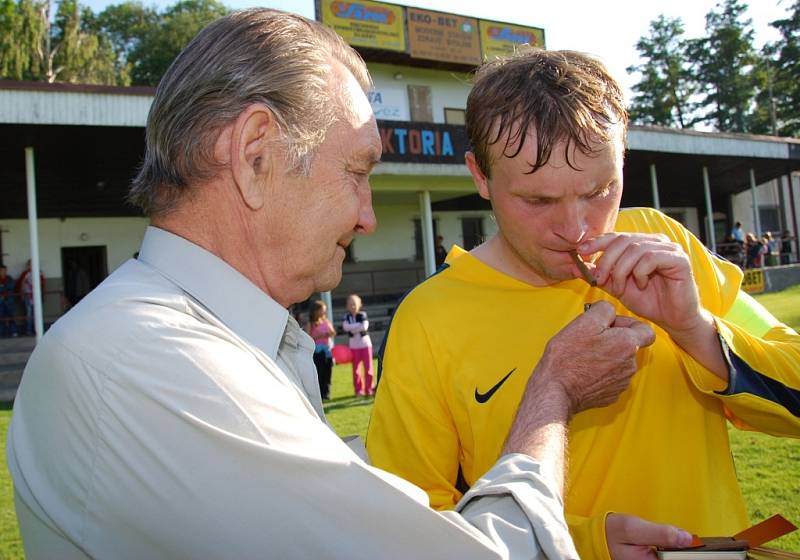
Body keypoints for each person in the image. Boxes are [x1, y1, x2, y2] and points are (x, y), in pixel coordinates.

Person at [4, 12, 675, 559]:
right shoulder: (150, 360)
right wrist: (551, 394)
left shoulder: (220, 343)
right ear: (254, 153)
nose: (368, 214)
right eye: (356, 171)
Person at [367, 48, 800, 560]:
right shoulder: (428, 318)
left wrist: (694, 328)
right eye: (538, 200)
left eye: (600, 190)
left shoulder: (664, 244)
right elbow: (409, 525)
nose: (576, 229)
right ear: (479, 176)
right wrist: (582, 542)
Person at [342, 293, 374, 396]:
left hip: (365, 345)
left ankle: (369, 389)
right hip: (354, 346)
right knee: (356, 370)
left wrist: (353, 328)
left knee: (368, 368)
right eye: (350, 304)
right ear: (347, 306)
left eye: (354, 304)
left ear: (359, 305)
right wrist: (357, 326)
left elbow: (364, 326)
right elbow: (345, 327)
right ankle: (358, 390)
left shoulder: (363, 315)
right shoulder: (346, 317)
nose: (352, 306)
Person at [306, 299, 336, 400]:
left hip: (327, 351)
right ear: (316, 311)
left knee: (328, 372)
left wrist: (328, 333)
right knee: (319, 373)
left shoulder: (326, 321)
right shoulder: (311, 323)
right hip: (317, 352)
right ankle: (319, 394)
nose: (324, 312)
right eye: (322, 310)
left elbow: (333, 332)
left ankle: (326, 393)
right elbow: (308, 338)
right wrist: (318, 336)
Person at [16, 259, 46, 336]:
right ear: (28, 265)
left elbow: (43, 283)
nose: (31, 266)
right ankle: (29, 331)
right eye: (30, 264)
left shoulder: (39, 272)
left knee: (37, 314)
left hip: (37, 296)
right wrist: (22, 295)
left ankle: (38, 330)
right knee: (29, 314)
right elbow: (20, 285)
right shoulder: (25, 274)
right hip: (28, 296)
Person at [0, 264, 18, 337]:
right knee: (1, 318)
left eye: (5, 270)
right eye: (2, 270)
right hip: (0, 302)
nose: (3, 272)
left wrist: (3, 287)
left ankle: (14, 332)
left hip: (9, 301)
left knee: (11, 317)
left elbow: (12, 286)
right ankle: (1, 333)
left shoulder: (9, 278)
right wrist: (4, 288)